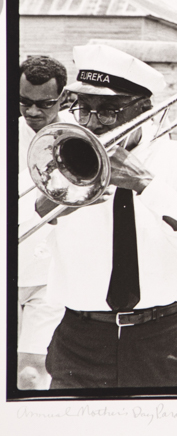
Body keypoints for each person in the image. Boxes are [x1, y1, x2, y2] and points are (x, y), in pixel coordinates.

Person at [33, 44, 177, 388]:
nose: (93, 123)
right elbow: (19, 235)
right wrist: (47, 207)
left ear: (144, 110)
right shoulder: (59, 154)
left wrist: (147, 187)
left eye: (109, 111)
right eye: (84, 109)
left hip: (163, 342)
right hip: (80, 340)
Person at [17, 55, 75, 389]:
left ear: (64, 98)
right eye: (24, 102)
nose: (33, 112)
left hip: (49, 272)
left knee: (31, 375)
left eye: (44, 104)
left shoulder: (78, 136)